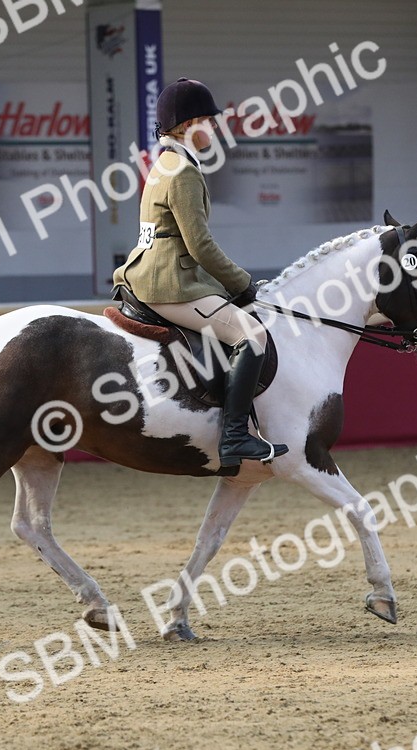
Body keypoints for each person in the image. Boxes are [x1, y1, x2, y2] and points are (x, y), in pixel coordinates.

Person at [113, 77, 288, 467]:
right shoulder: (184, 173)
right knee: (253, 334)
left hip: (151, 271)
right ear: (187, 126)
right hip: (168, 282)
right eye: (208, 120)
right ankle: (235, 437)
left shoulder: (167, 163)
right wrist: (243, 284)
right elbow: (200, 246)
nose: (213, 127)